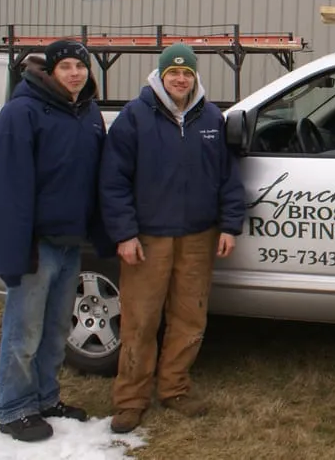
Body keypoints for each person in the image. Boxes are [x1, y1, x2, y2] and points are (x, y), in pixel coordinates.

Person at [100, 43, 245, 434]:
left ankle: (175, 388)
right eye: (173, 73)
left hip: (198, 236)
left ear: (195, 76)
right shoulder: (134, 117)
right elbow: (113, 182)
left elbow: (228, 179)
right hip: (149, 238)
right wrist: (126, 234)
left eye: (187, 73)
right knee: (140, 320)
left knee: (189, 317)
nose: (180, 79)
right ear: (161, 76)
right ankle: (130, 399)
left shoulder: (212, 117)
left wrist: (230, 225)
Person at [0, 40, 105, 442]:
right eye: (65, 66)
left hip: (70, 242)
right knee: (24, 331)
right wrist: (15, 246)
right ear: (50, 71)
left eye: (80, 66)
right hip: (36, 243)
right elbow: (2, 186)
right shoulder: (22, 113)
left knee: (54, 331)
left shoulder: (87, 115)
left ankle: (46, 398)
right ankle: (15, 407)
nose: (74, 73)